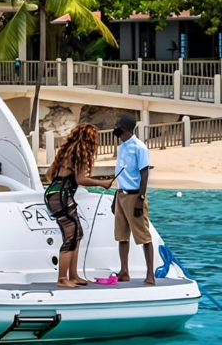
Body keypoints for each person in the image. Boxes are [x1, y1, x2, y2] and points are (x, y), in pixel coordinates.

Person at [45, 123, 112, 288]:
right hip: (62, 196)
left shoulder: (66, 151)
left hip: (53, 193)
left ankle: (73, 275)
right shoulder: (80, 153)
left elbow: (48, 175)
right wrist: (102, 183)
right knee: (70, 236)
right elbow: (81, 179)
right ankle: (62, 279)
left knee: (77, 234)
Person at [113, 113, 154, 285]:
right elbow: (122, 172)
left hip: (134, 195)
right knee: (122, 235)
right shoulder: (121, 146)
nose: (114, 127)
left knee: (143, 236)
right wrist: (116, 195)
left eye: (117, 125)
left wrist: (140, 198)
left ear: (123, 127)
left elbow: (144, 174)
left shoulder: (140, 147)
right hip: (121, 194)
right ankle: (124, 270)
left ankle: (150, 274)